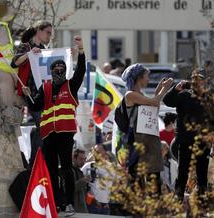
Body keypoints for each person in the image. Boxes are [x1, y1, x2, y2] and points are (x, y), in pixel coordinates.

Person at [22, 35, 85, 216]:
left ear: (65, 70)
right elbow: (36, 106)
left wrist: (81, 51)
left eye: (61, 68)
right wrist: (27, 94)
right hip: (48, 134)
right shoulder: (46, 87)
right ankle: (56, 202)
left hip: (65, 133)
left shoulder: (71, 85)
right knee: (50, 170)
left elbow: (80, 71)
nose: (59, 70)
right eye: (56, 68)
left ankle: (69, 202)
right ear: (50, 71)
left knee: (65, 168)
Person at [121, 63, 173, 193]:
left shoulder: (141, 94)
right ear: (139, 78)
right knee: (138, 186)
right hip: (137, 146)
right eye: (146, 76)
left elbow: (153, 109)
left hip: (149, 144)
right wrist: (164, 90)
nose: (148, 79)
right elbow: (154, 102)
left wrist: (157, 91)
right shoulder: (130, 95)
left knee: (154, 187)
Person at [163, 70, 211, 201]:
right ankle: (178, 196)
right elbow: (167, 101)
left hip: (203, 141)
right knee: (182, 170)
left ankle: (202, 198)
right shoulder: (183, 95)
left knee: (202, 172)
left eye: (200, 80)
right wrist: (175, 89)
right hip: (185, 140)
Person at [11, 20, 53, 127]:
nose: (49, 36)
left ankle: (38, 144)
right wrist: (29, 54)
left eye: (50, 33)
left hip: (42, 93)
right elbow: (14, 63)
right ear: (38, 30)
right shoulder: (25, 46)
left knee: (44, 125)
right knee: (42, 124)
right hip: (29, 92)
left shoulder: (44, 50)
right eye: (48, 32)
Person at [81, 144, 112, 215]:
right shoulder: (88, 166)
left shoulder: (111, 167)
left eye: (99, 151)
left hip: (105, 207)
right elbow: (78, 181)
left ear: (105, 153)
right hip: (91, 206)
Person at [72, 149, 89, 213]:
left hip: (81, 209)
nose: (83, 161)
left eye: (84, 159)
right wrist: (83, 181)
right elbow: (70, 188)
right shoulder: (69, 171)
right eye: (80, 159)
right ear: (74, 158)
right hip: (74, 209)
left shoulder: (80, 172)